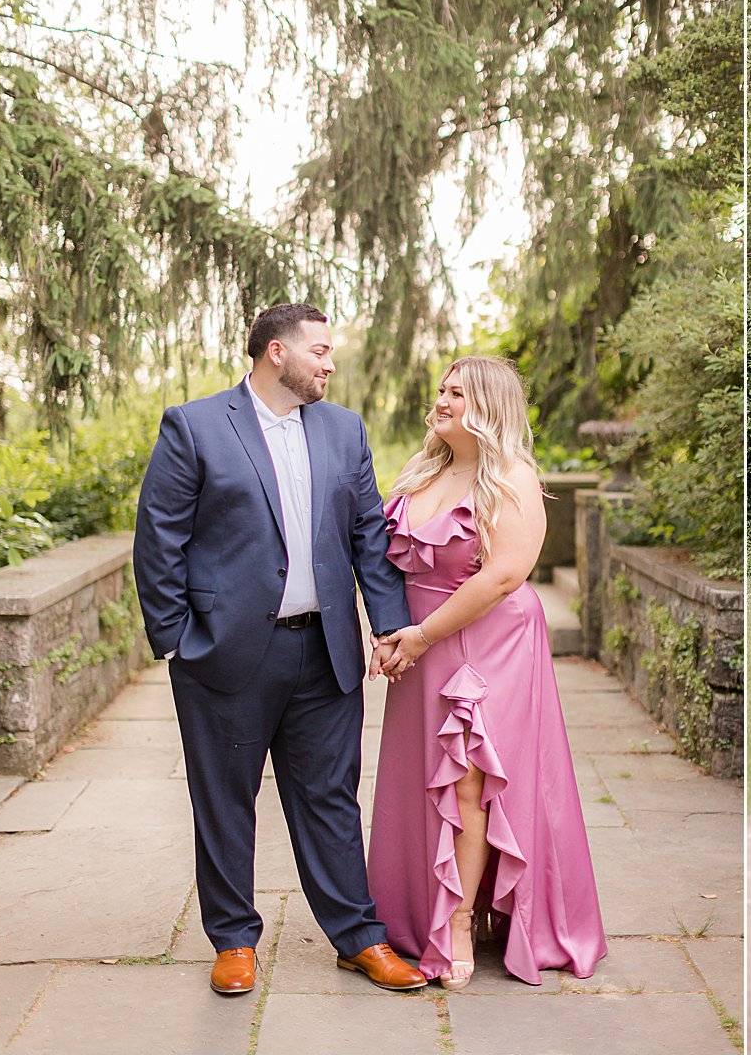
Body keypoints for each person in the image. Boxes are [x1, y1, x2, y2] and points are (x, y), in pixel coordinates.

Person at [133, 304, 427, 996]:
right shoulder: (195, 425)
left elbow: (367, 538)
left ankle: (359, 936)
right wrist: (177, 639)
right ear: (275, 352)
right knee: (225, 799)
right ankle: (234, 939)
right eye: (320, 350)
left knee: (331, 797)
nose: (330, 363)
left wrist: (387, 627)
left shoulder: (344, 429)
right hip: (226, 653)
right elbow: (159, 539)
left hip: (325, 651)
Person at [366, 355, 606, 991]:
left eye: (458, 395)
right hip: (420, 646)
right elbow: (390, 564)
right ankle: (417, 911)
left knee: (468, 783)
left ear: (490, 409)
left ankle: (459, 923)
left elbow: (502, 576)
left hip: (485, 643)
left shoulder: (513, 478)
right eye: (441, 390)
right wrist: (388, 633)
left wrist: (418, 636)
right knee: (424, 781)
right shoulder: (421, 474)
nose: (441, 401)